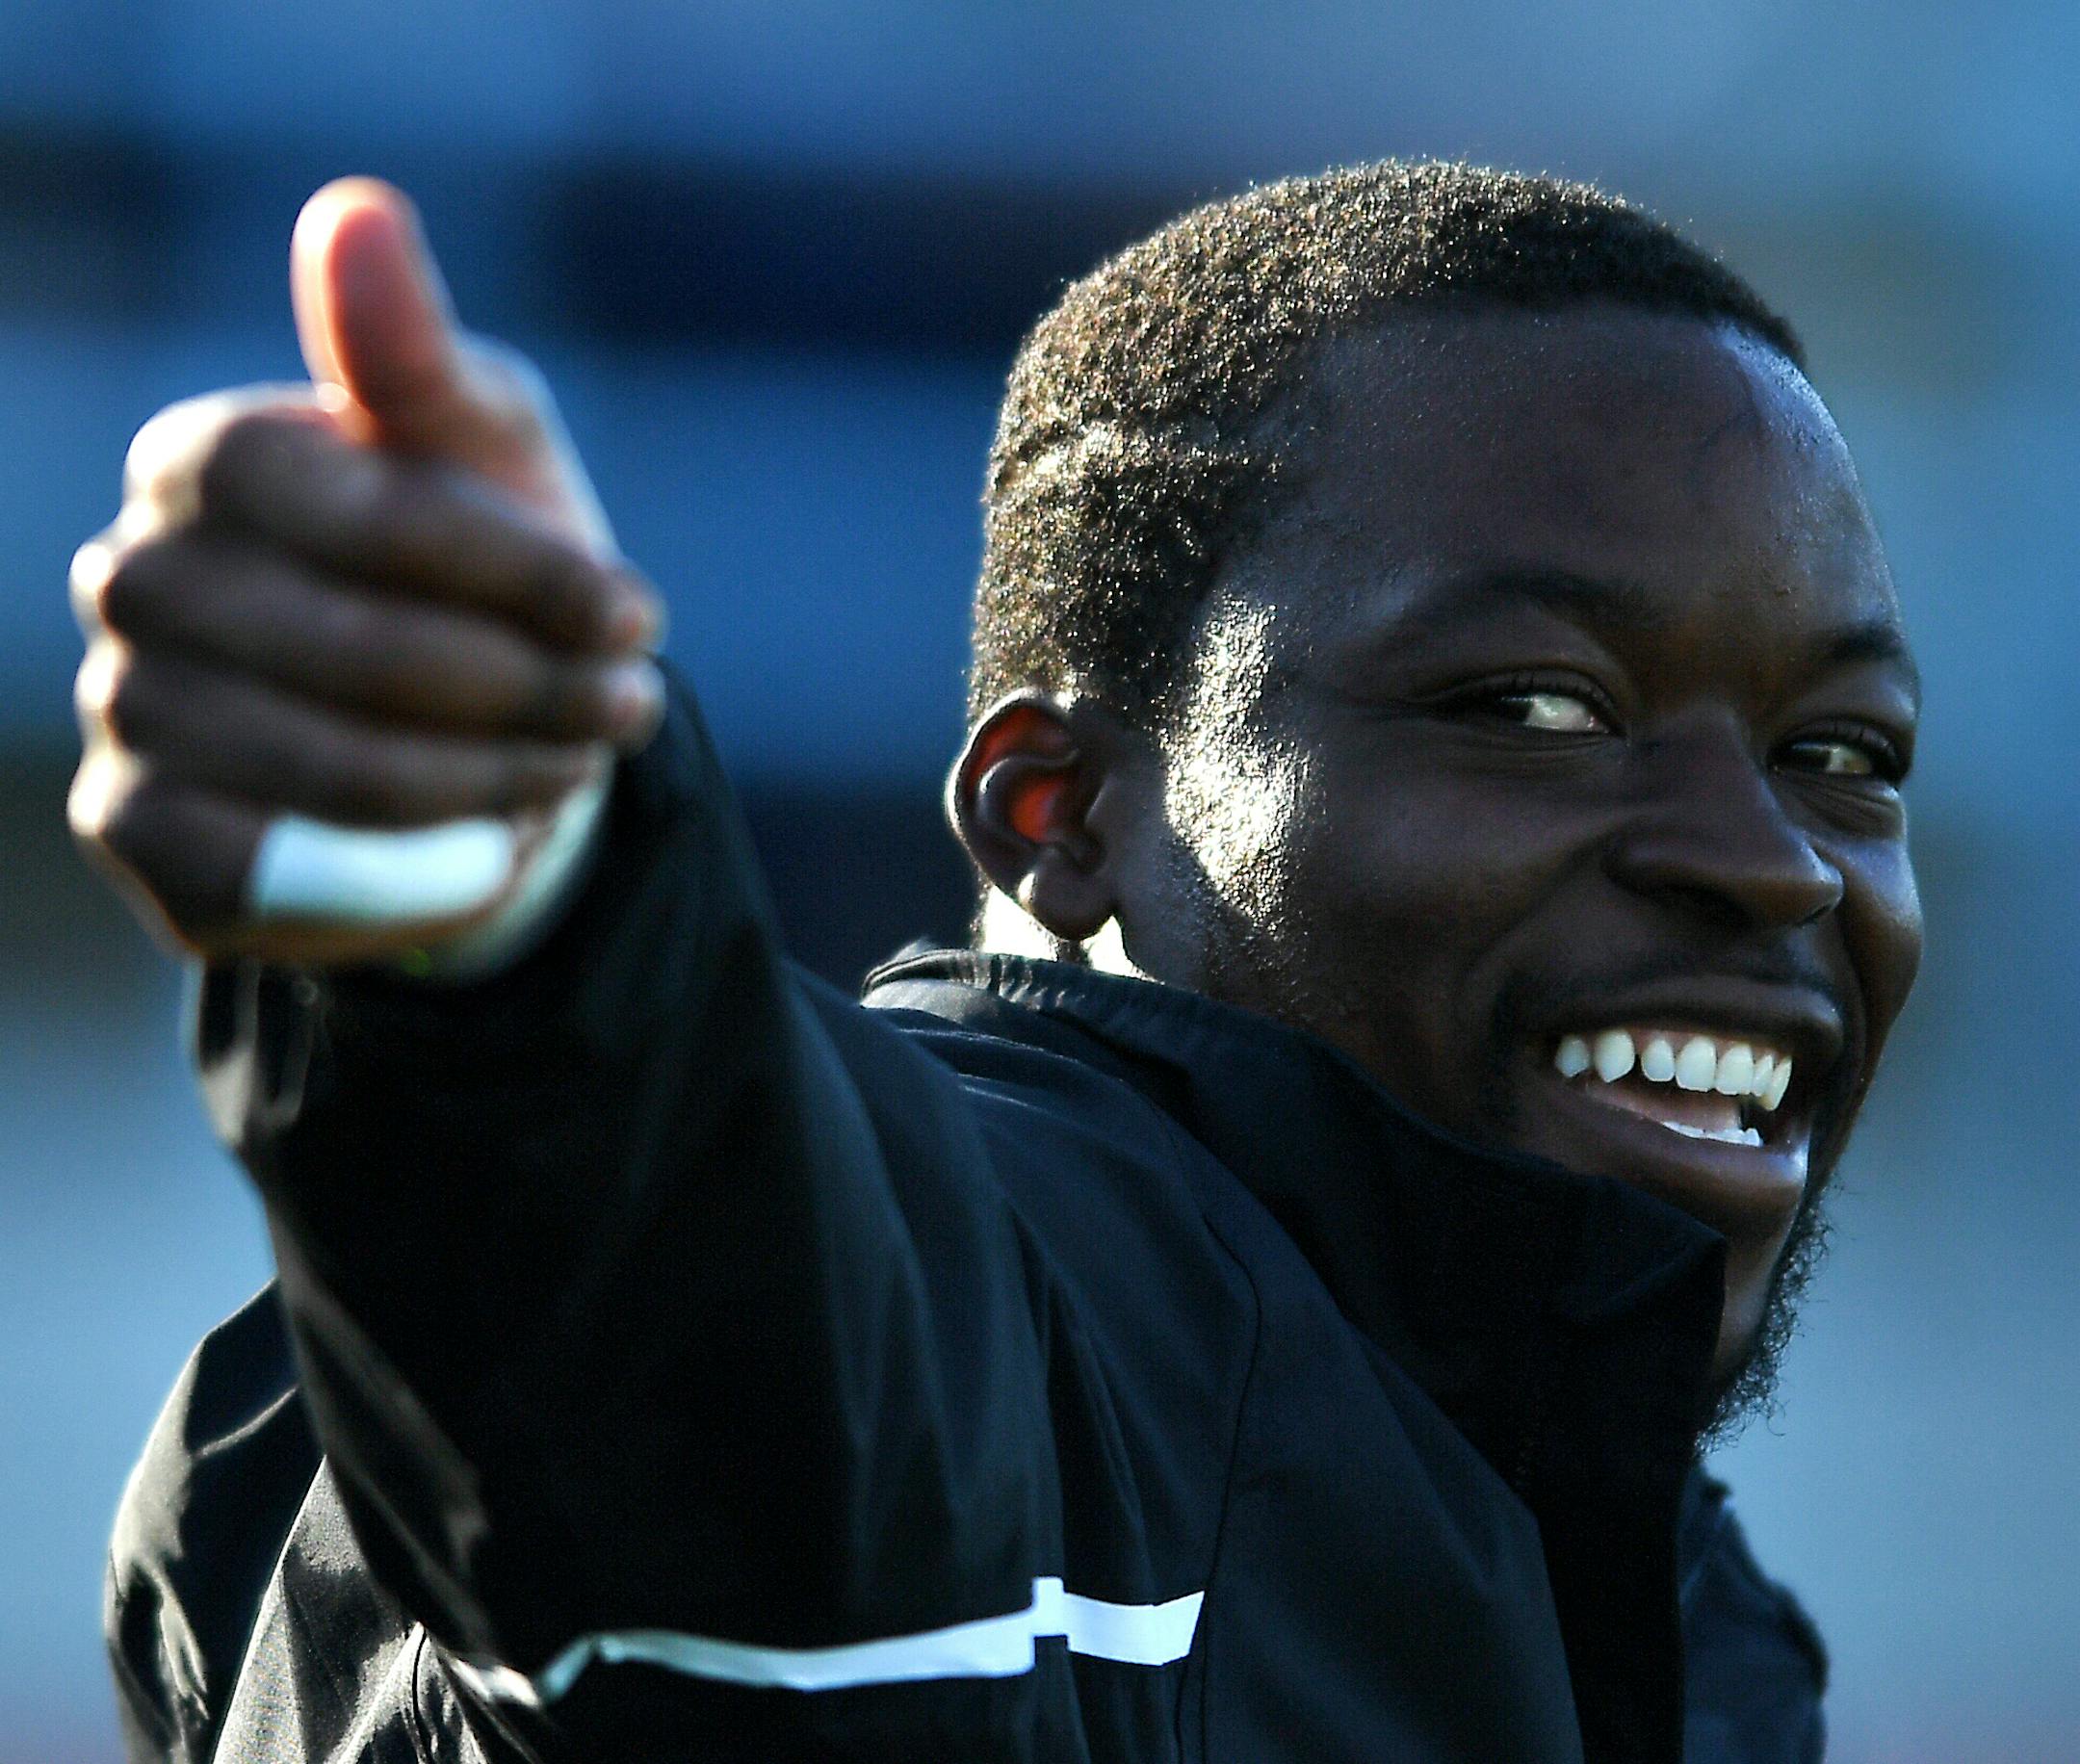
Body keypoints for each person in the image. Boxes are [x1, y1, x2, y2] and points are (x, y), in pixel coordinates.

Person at [75, 162, 1920, 1764]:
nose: (1766, 864)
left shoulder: (1663, 1592)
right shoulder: (1026, 1311)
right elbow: (729, 1339)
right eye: (1533, 704)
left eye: (1841, 754)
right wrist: (513, 927)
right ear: (1059, 814)